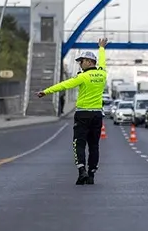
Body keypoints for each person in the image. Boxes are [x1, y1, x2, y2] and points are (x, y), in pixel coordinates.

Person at [37, 38, 108, 185]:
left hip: (83, 115)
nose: (80, 64)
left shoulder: (82, 77)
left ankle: (82, 170)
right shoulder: (102, 74)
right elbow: (102, 62)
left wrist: (46, 91)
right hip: (97, 115)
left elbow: (64, 85)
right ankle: (92, 174)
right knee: (94, 145)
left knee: (79, 143)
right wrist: (101, 48)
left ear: (89, 62)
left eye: (81, 61)